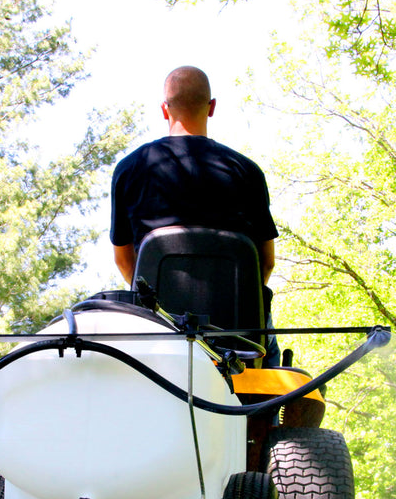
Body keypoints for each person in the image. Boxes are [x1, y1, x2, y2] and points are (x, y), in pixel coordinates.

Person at [110, 65, 280, 365]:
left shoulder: (130, 169)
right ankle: (265, 409)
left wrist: (158, 308)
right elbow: (265, 263)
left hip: (156, 334)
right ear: (211, 107)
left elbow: (125, 262)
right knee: (273, 355)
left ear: (165, 110)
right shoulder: (247, 172)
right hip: (240, 341)